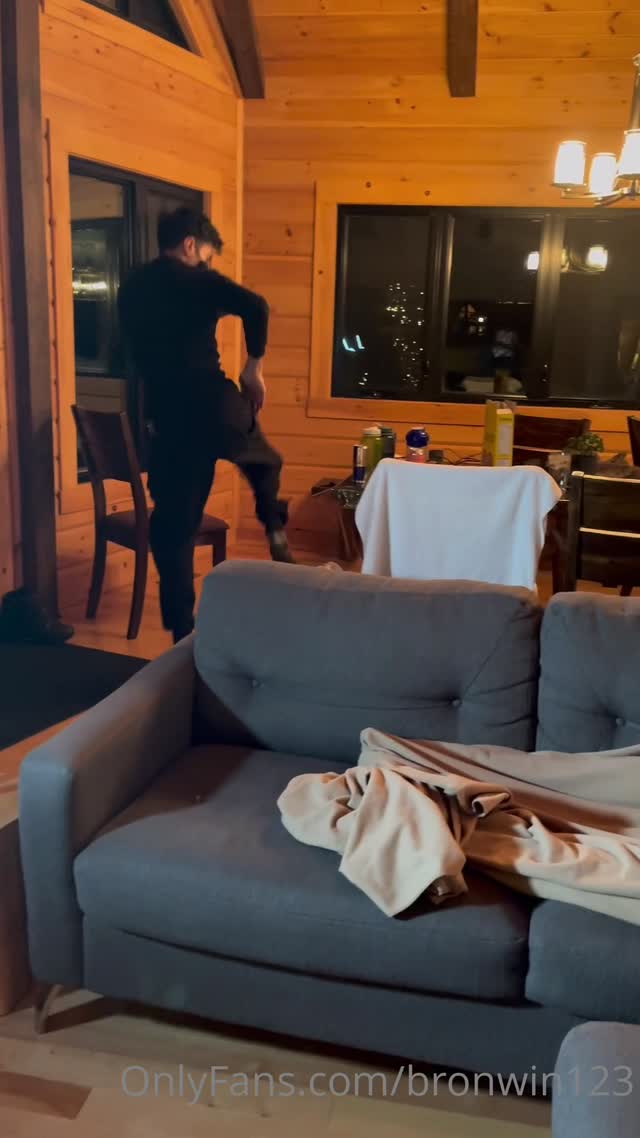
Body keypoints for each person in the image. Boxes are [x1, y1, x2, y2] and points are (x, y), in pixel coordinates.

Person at [118, 207, 293, 643]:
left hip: (169, 418)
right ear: (190, 245)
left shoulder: (132, 287)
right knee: (264, 460)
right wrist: (253, 368)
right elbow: (256, 306)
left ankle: (182, 629)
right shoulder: (197, 280)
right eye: (207, 255)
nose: (207, 264)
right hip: (214, 406)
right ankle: (273, 523)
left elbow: (134, 356)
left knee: (174, 527)